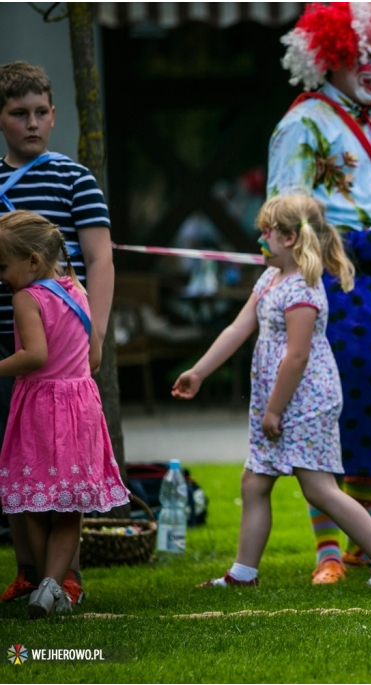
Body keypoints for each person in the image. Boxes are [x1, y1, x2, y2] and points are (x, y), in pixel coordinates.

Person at [268, 2, 371, 584]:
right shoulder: (302, 124)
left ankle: (363, 546)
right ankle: (328, 550)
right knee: (326, 415)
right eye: (362, 56)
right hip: (330, 283)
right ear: (329, 56)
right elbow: (285, 214)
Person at [173, 194, 371, 589]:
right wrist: (199, 372)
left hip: (304, 400)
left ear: (292, 239)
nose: (261, 238)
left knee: (318, 488)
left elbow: (297, 357)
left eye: (268, 231)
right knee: (255, 481)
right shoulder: (269, 280)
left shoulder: (303, 290)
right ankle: (242, 574)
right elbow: (237, 329)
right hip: (279, 399)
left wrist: (273, 411)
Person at [0, 61, 115, 609]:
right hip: (8, 348)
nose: (31, 123)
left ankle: (63, 579)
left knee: (63, 473)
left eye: (41, 112)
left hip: (60, 355)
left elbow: (99, 259)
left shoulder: (75, 178)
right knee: (14, 473)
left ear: (54, 115)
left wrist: (97, 338)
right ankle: (29, 574)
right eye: (18, 113)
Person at [0, 210, 127, 618]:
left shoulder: (26, 298)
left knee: (32, 502)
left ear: (32, 262)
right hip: (82, 408)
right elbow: (90, 358)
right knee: (70, 505)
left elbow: (35, 355)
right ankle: (52, 588)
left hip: (41, 409)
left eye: (3, 266)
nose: (0, 276)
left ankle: (43, 583)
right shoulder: (78, 291)